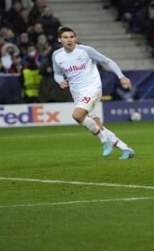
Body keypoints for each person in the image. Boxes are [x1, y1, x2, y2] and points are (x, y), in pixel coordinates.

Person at [52, 26, 135, 160]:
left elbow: (107, 61)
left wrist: (121, 76)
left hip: (92, 88)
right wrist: (60, 81)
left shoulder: (85, 50)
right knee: (97, 124)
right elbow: (57, 73)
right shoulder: (57, 55)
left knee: (77, 115)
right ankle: (125, 148)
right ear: (59, 39)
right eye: (65, 37)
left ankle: (104, 140)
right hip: (77, 93)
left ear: (75, 38)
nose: (69, 40)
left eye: (72, 37)